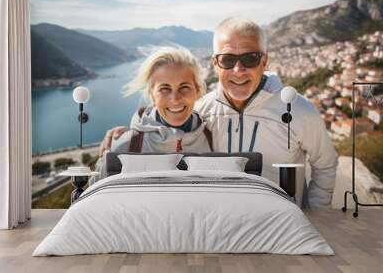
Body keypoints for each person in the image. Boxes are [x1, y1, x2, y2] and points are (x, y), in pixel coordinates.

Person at [99, 17, 338, 209]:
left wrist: (317, 215)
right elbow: (169, 124)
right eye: (227, 59)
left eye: (250, 58)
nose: (238, 69)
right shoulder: (203, 111)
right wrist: (125, 136)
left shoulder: (299, 110)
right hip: (221, 226)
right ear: (215, 63)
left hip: (284, 226)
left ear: (265, 61)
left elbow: (325, 165)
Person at [92, 47, 213, 184]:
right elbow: (92, 196)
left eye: (184, 87)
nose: (175, 99)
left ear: (197, 91)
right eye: (164, 89)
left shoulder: (211, 137)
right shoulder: (124, 146)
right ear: (152, 95)